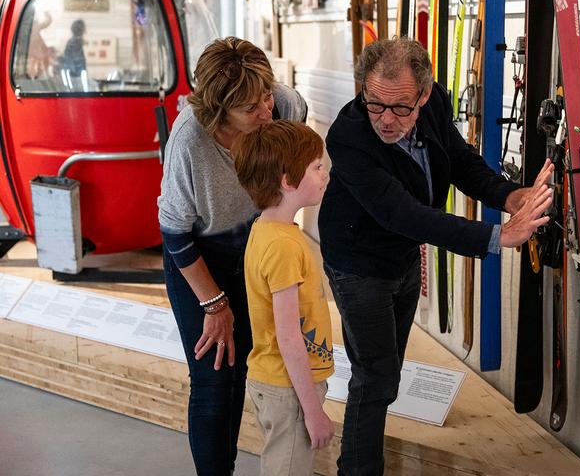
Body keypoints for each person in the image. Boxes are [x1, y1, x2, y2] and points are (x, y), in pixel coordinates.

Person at [318, 37, 553, 475]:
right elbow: (404, 214)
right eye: (374, 104)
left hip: (402, 256)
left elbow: (461, 161)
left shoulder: (435, 103)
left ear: (424, 95)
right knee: (375, 378)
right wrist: (497, 236)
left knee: (385, 374)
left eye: (401, 107)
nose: (386, 120)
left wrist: (509, 195)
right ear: (362, 91)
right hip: (357, 264)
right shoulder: (348, 139)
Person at [157, 36, 308, 476]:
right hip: (199, 257)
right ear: (218, 111)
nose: (266, 112)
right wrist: (214, 304)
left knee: (245, 369)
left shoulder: (283, 104)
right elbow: (174, 232)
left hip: (256, 251)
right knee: (213, 381)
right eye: (250, 109)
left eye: (266, 96)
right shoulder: (189, 142)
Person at [232, 120, 334, 476]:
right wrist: (312, 411)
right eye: (316, 167)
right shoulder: (283, 247)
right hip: (288, 390)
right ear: (288, 181)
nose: (324, 173)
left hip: (278, 382)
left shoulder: (268, 230)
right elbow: (289, 337)